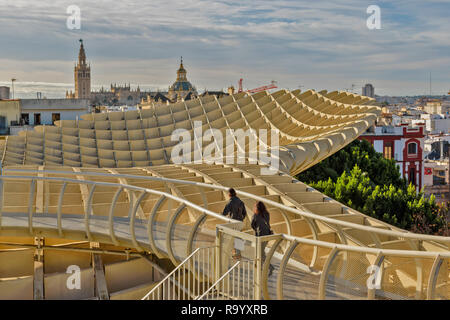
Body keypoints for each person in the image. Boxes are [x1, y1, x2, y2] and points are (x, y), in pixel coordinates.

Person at [251, 201, 275, 277]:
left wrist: (256, 230)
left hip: (260, 236)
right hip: (267, 235)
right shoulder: (267, 214)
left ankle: (269, 267)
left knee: (260, 252)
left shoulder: (255, 215)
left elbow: (252, 225)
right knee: (261, 252)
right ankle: (259, 266)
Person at [222, 188, 247, 259]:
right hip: (240, 222)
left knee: (231, 237)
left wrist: (220, 214)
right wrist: (241, 219)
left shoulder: (230, 202)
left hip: (233, 222)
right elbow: (244, 213)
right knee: (238, 237)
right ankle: (238, 253)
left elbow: (224, 213)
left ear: (229, 194)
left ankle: (234, 254)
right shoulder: (240, 201)